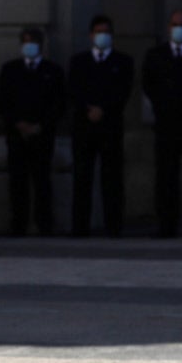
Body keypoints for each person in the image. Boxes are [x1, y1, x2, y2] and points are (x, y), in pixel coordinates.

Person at [67, 13, 134, 238]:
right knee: (82, 178)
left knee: (112, 179)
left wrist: (103, 109)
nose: (102, 36)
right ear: (91, 35)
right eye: (98, 32)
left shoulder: (123, 62)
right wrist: (89, 108)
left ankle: (113, 226)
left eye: (106, 32)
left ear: (112, 35)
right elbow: (73, 90)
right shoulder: (79, 62)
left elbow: (123, 91)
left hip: (110, 127)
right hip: (84, 127)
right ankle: (80, 227)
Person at [0, 28, 63, 235]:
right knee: (17, 181)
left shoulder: (53, 70)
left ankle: (44, 224)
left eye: (33, 41)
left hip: (43, 135)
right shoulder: (11, 69)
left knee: (42, 180)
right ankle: (18, 223)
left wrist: (40, 125)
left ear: (40, 44)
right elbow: (2, 103)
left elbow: (59, 103)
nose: (29, 45)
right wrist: (18, 124)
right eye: (26, 41)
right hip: (17, 135)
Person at [145, 8, 182, 238]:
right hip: (166, 124)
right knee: (166, 177)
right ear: (169, 28)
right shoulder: (156, 55)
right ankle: (166, 224)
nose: (179, 29)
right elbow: (149, 85)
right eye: (175, 25)